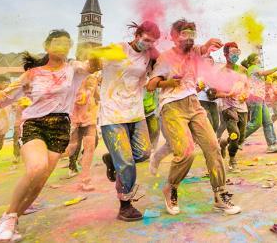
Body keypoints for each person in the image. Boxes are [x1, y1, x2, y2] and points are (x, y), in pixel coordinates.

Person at [0, 29, 97, 242]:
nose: (63, 47)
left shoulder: (74, 69)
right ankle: (8, 216)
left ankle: (13, 219)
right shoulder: (32, 74)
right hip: (34, 125)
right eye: (58, 43)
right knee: (36, 168)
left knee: (39, 181)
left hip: (61, 127)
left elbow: (94, 66)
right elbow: (3, 98)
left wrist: (99, 52)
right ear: (47, 46)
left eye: (67, 43)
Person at [148, 19, 241, 216]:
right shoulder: (165, 58)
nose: (188, 37)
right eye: (184, 33)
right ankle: (171, 187)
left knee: (213, 147)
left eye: (191, 33)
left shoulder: (193, 52)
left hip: (193, 103)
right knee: (186, 152)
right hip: (172, 106)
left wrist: (209, 44)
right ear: (174, 37)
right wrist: (169, 83)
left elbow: (202, 48)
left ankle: (220, 195)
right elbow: (152, 84)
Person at [99, 21, 160, 221]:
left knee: (143, 153)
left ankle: (112, 159)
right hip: (112, 113)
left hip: (135, 112)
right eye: (146, 40)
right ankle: (125, 205)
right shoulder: (118, 49)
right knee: (126, 162)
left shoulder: (148, 56)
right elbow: (94, 60)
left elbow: (160, 70)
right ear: (137, 35)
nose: (148, 44)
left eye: (152, 42)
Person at [64, 71, 100, 191]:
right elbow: (78, 99)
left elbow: (96, 95)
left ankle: (85, 179)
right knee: (73, 147)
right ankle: (50, 158)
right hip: (74, 118)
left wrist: (97, 97)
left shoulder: (94, 77)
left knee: (90, 146)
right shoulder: (73, 74)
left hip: (89, 117)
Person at [242, 51, 277, 154]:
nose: (259, 59)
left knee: (268, 122)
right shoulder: (253, 68)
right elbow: (263, 73)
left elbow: (261, 80)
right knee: (256, 123)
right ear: (252, 61)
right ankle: (236, 139)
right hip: (255, 97)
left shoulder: (254, 69)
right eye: (257, 58)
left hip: (260, 97)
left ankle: (272, 144)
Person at [217, 44, 250, 171]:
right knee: (235, 134)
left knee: (240, 137)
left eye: (238, 52)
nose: (236, 55)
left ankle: (224, 143)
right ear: (225, 54)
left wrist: (245, 95)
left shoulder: (242, 69)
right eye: (232, 52)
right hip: (228, 106)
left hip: (242, 106)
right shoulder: (221, 72)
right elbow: (216, 92)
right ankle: (232, 160)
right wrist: (227, 94)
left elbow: (247, 86)